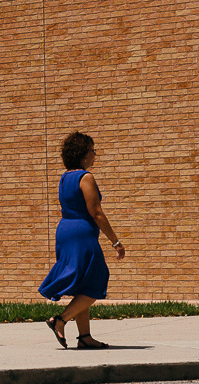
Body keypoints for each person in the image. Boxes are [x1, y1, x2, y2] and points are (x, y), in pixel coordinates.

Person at [38, 131, 125, 350]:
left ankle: (85, 337)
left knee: (84, 284)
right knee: (97, 279)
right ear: (83, 155)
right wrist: (115, 241)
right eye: (92, 150)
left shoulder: (65, 177)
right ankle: (60, 319)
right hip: (81, 232)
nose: (95, 154)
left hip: (66, 229)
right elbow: (95, 212)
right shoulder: (85, 177)